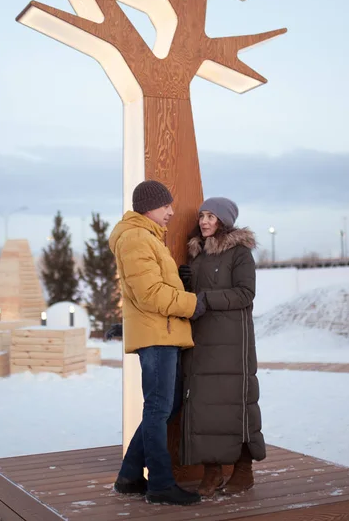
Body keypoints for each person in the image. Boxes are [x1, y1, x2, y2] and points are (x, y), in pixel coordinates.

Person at [109, 179, 206, 506]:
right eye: (166, 206)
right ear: (149, 206)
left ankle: (130, 475)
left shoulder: (148, 238)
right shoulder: (136, 238)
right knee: (159, 407)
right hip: (156, 335)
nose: (171, 211)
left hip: (162, 332)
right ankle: (161, 483)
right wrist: (192, 304)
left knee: (166, 405)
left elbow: (155, 285)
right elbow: (149, 294)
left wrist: (181, 282)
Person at [178, 197, 265, 497]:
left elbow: (245, 293)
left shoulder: (240, 254)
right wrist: (186, 284)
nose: (204, 221)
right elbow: (194, 298)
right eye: (202, 215)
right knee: (203, 409)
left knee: (234, 407)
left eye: (211, 216)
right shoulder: (198, 254)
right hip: (201, 342)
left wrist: (205, 299)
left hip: (232, 344)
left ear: (224, 221)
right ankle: (212, 473)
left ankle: (244, 469)